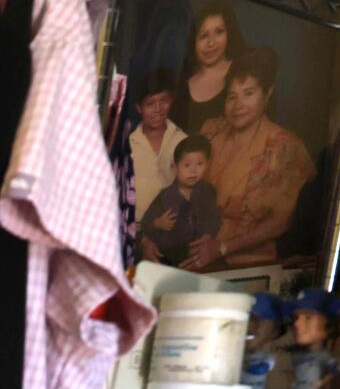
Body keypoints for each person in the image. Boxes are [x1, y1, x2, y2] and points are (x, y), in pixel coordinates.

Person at [186, 48, 316, 269]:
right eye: (231, 96)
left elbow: (279, 223)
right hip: (193, 253)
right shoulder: (210, 131)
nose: (237, 106)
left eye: (248, 94)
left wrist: (222, 247)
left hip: (245, 266)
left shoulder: (285, 147)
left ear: (267, 95)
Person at [139, 134, 220, 265]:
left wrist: (208, 235)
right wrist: (158, 223)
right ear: (175, 168)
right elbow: (146, 222)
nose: (193, 171)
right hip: (167, 256)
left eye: (200, 164)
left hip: (196, 254)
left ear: (207, 165)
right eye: (187, 165)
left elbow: (214, 217)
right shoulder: (165, 196)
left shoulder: (207, 191)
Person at [176, 3, 247, 132]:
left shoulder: (245, 72)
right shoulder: (182, 86)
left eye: (219, 32)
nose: (211, 43)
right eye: (203, 36)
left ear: (229, 34)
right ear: (193, 42)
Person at [129, 68, 186, 208]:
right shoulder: (129, 145)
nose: (158, 109)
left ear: (171, 101)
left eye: (164, 101)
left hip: (173, 225)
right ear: (138, 108)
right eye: (150, 104)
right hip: (136, 225)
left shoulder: (183, 140)